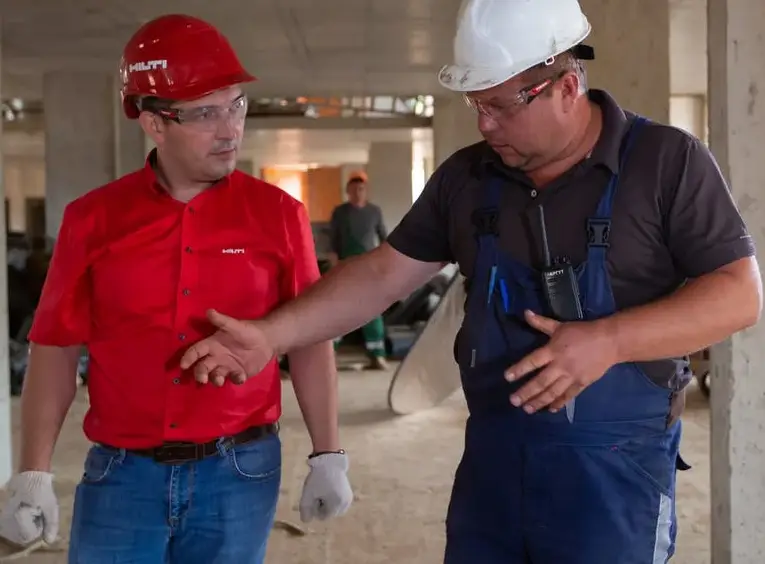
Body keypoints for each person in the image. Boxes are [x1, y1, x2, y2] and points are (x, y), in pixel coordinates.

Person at [178, 0, 762, 562]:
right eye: (475, 104)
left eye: (502, 107)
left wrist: (610, 340)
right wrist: (272, 336)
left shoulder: (665, 161)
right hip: (493, 466)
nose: (485, 124)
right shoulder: (467, 179)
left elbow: (739, 293)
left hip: (615, 474)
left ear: (566, 86)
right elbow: (383, 276)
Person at [0, 14, 352, 564]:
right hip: (121, 475)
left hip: (240, 472)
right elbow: (56, 346)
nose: (230, 128)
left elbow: (311, 339)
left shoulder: (279, 215)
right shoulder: (92, 220)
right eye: (206, 113)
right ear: (153, 122)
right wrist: (32, 471)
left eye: (235, 105)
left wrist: (329, 453)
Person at [328, 172, 390, 369]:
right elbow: (333, 239)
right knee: (339, 310)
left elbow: (384, 237)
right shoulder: (340, 212)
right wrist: (333, 260)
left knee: (372, 311)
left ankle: (377, 354)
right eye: (354, 189)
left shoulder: (374, 211)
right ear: (348, 191)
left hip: (368, 266)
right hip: (345, 265)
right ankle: (330, 355)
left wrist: (385, 262)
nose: (357, 192)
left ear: (366, 191)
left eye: (361, 188)